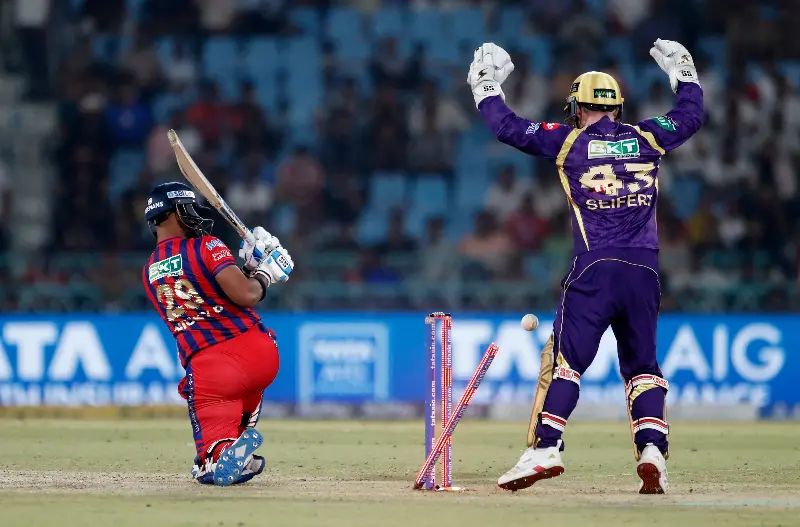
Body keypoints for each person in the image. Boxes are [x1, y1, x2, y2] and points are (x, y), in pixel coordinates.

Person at [467, 40, 703, 494]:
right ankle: (652, 449)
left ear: (577, 108)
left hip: (594, 266)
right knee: (642, 367)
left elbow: (507, 128)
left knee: (566, 362)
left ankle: (545, 448)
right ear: (617, 107)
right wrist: (685, 75)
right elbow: (691, 116)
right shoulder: (648, 136)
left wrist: (485, 84)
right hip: (645, 270)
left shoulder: (569, 140)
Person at [142, 182, 294, 486]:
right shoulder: (207, 245)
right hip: (259, 352)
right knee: (242, 390)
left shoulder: (149, 270)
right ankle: (239, 446)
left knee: (212, 456)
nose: (194, 217)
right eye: (187, 210)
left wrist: (251, 269)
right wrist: (266, 271)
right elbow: (247, 295)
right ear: (170, 214)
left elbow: (211, 296)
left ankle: (220, 452)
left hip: (212, 368)